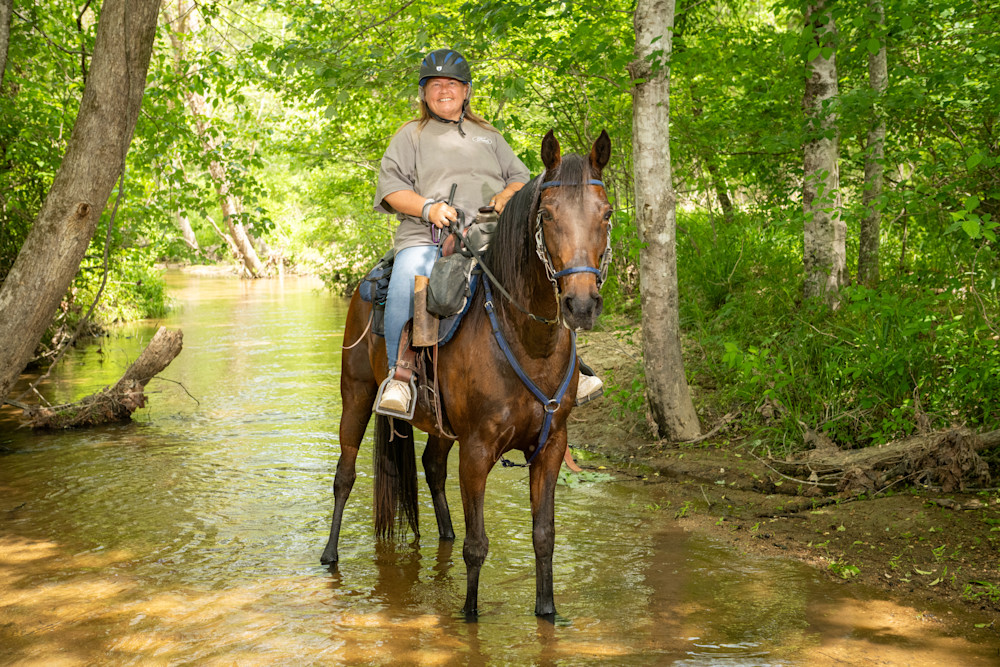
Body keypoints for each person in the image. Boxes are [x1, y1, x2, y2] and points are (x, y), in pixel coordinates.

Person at [372, 48, 602, 416]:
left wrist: (506, 195)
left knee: (545, 273)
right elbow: (392, 191)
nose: (443, 90)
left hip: (492, 233)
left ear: (466, 91)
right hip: (430, 236)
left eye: (451, 83)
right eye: (434, 85)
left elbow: (525, 180)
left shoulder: (489, 135)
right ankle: (400, 375)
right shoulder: (410, 136)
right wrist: (430, 208)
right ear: (423, 93)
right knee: (406, 275)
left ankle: (572, 364)